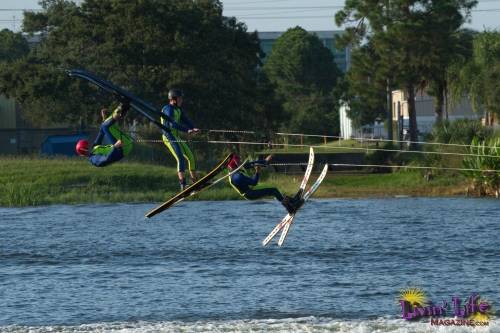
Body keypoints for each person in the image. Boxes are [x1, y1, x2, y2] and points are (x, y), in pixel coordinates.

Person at [227, 154, 303, 214]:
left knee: (274, 189)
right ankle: (290, 208)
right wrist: (257, 171)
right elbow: (254, 182)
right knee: (273, 190)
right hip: (250, 193)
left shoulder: (233, 172)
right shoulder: (237, 177)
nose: (241, 163)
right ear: (236, 165)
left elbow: (250, 164)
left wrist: (265, 161)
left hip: (250, 190)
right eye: (239, 162)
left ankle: (292, 201)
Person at [161, 89, 200, 190]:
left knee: (191, 157)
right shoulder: (167, 109)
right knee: (180, 158)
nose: (181, 100)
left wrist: (193, 128)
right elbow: (172, 124)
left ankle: (195, 181)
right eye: (180, 98)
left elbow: (186, 120)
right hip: (169, 137)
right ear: (173, 99)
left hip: (176, 137)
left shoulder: (178, 109)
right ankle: (183, 185)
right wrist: (187, 130)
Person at [75, 102, 133, 167]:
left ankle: (122, 110)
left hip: (123, 146)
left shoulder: (94, 149)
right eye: (87, 145)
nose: (90, 144)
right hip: (121, 149)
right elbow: (106, 159)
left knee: (105, 126)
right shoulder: (94, 159)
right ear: (85, 150)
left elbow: (101, 132)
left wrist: (104, 119)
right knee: (105, 126)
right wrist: (115, 147)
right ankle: (121, 108)